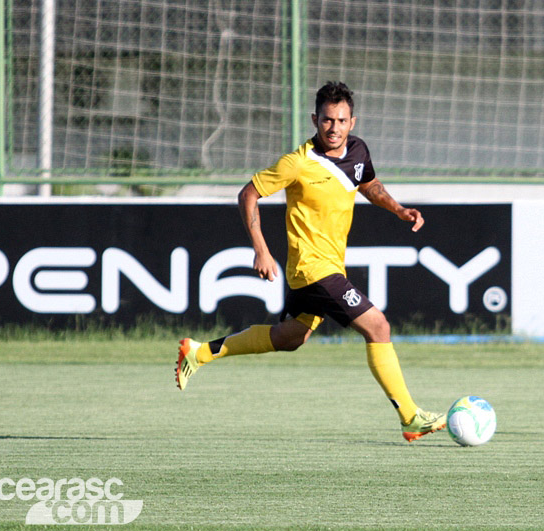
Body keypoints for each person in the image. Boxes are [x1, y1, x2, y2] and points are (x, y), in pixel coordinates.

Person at [175, 81, 446, 442]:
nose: (334, 128)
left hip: (326, 268)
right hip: (313, 269)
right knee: (378, 327)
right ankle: (410, 418)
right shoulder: (297, 163)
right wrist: (261, 249)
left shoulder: (358, 151)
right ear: (315, 119)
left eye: (341, 120)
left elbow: (369, 184)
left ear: (352, 121)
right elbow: (249, 194)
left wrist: (398, 209)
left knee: (290, 338)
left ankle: (198, 352)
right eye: (327, 120)